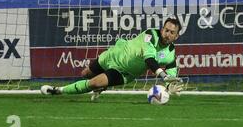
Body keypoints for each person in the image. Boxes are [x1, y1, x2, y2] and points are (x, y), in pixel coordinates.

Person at [41, 17, 184, 100]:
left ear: (176, 36)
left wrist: (169, 87)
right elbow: (149, 60)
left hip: (125, 73)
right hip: (113, 55)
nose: (167, 34)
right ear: (161, 30)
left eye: (172, 32)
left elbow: (170, 77)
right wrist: (163, 76)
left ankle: (58, 90)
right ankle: (101, 85)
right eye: (166, 30)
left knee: (94, 83)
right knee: (85, 74)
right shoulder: (151, 35)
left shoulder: (171, 55)